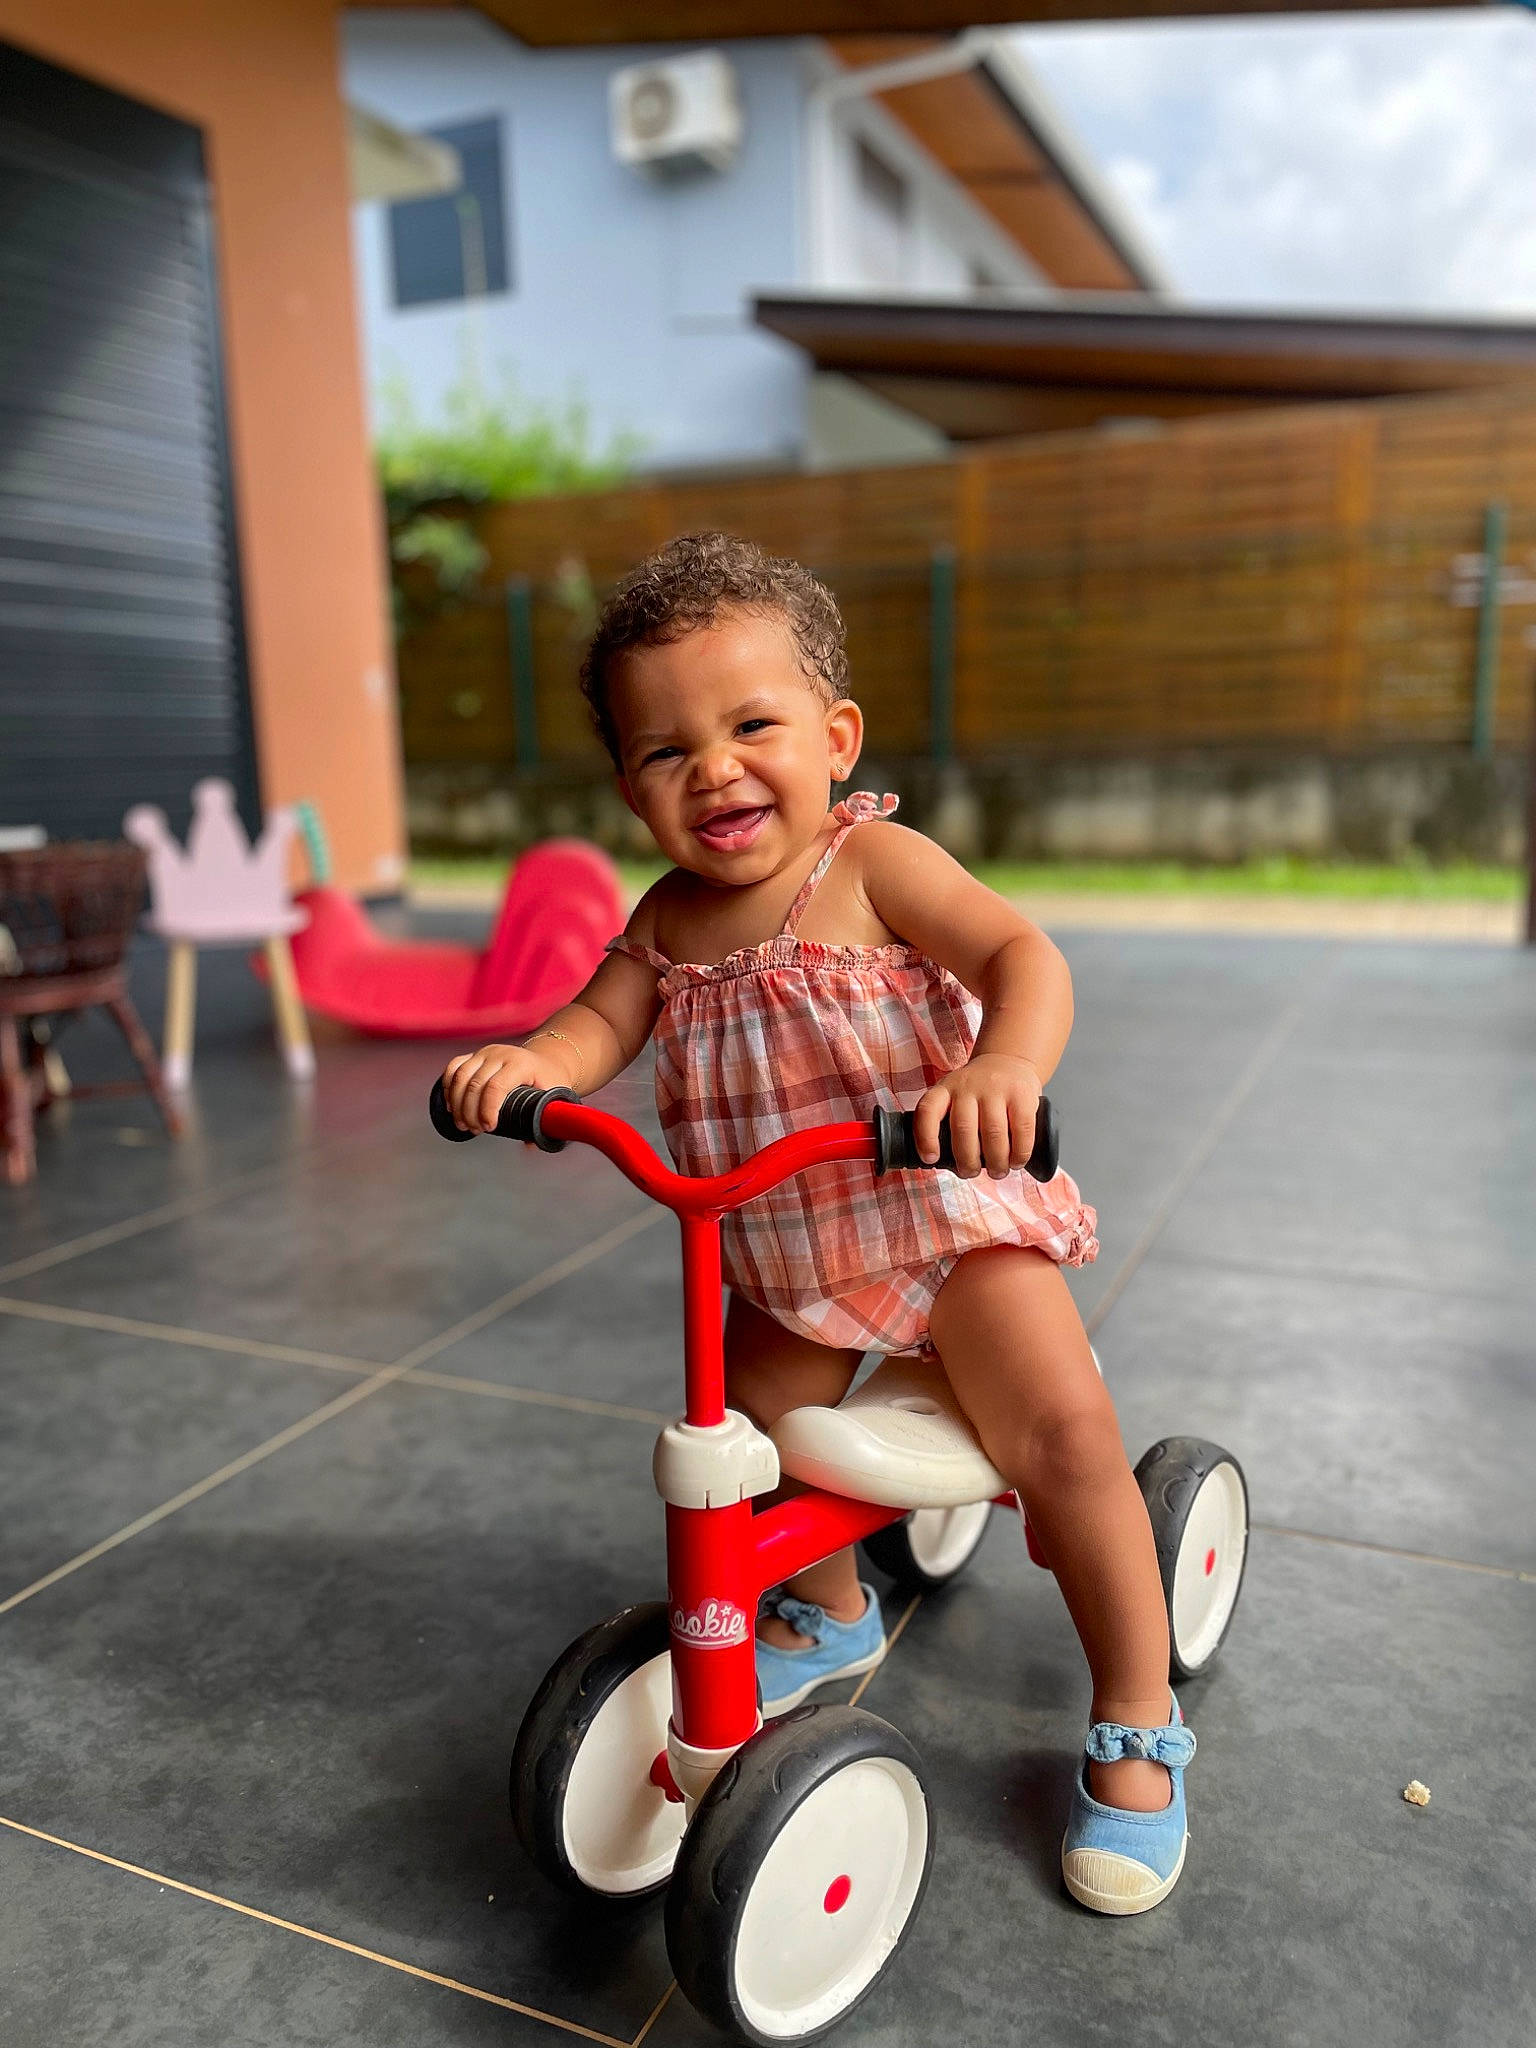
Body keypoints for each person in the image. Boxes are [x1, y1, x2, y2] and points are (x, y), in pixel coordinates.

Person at [440, 531, 1195, 1915]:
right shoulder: (665, 921)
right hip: (785, 1255)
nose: (713, 769)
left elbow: (1022, 955)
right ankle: (833, 1606)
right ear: (629, 789)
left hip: (944, 1214)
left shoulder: (873, 864)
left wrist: (1004, 1071)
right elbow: (595, 1024)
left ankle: (1137, 1709)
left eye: (750, 726)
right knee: (747, 1444)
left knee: (1067, 1439)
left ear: (834, 737)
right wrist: (529, 1070)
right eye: (665, 753)